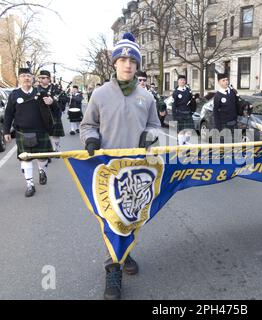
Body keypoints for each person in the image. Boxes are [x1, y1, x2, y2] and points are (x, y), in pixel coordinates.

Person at [80, 32, 160, 300]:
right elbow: (88, 125)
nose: (127, 64)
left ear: (137, 65)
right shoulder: (100, 94)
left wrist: (148, 136)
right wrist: (90, 139)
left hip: (136, 171)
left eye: (132, 60)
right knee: (111, 218)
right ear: (114, 63)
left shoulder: (147, 97)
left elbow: (153, 125)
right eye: (122, 59)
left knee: (132, 216)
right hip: (107, 170)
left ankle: (125, 253)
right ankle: (112, 268)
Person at [3, 68, 55, 197]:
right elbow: (8, 114)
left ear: (32, 78)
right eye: (23, 76)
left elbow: (55, 109)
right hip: (22, 132)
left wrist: (51, 102)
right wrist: (6, 131)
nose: (26, 78)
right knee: (25, 159)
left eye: (28, 75)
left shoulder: (41, 92)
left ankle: (41, 170)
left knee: (42, 158)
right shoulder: (14, 95)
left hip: (40, 130)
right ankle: (30, 184)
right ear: (19, 78)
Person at [213, 73, 251, 142]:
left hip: (234, 123)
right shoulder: (217, 96)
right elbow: (215, 112)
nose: (226, 82)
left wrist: (246, 105)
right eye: (223, 80)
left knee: (235, 146)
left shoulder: (233, 92)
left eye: (227, 80)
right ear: (219, 82)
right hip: (224, 125)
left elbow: (239, 103)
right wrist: (218, 128)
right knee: (226, 147)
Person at [37, 70, 65, 152]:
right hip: (41, 114)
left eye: (43, 78)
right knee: (44, 134)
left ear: (49, 79)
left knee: (55, 135)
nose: (41, 79)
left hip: (54, 114)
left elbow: (63, 99)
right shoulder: (36, 89)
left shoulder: (55, 88)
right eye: (40, 78)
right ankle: (46, 151)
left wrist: (54, 101)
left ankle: (56, 149)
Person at [172, 75, 196, 145]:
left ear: (185, 81)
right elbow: (174, 105)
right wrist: (174, 117)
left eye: (183, 80)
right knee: (181, 131)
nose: (182, 81)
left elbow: (192, 102)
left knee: (189, 132)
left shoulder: (188, 91)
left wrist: (192, 111)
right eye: (181, 80)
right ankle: (180, 145)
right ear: (178, 81)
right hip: (179, 114)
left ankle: (183, 141)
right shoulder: (175, 92)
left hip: (188, 113)